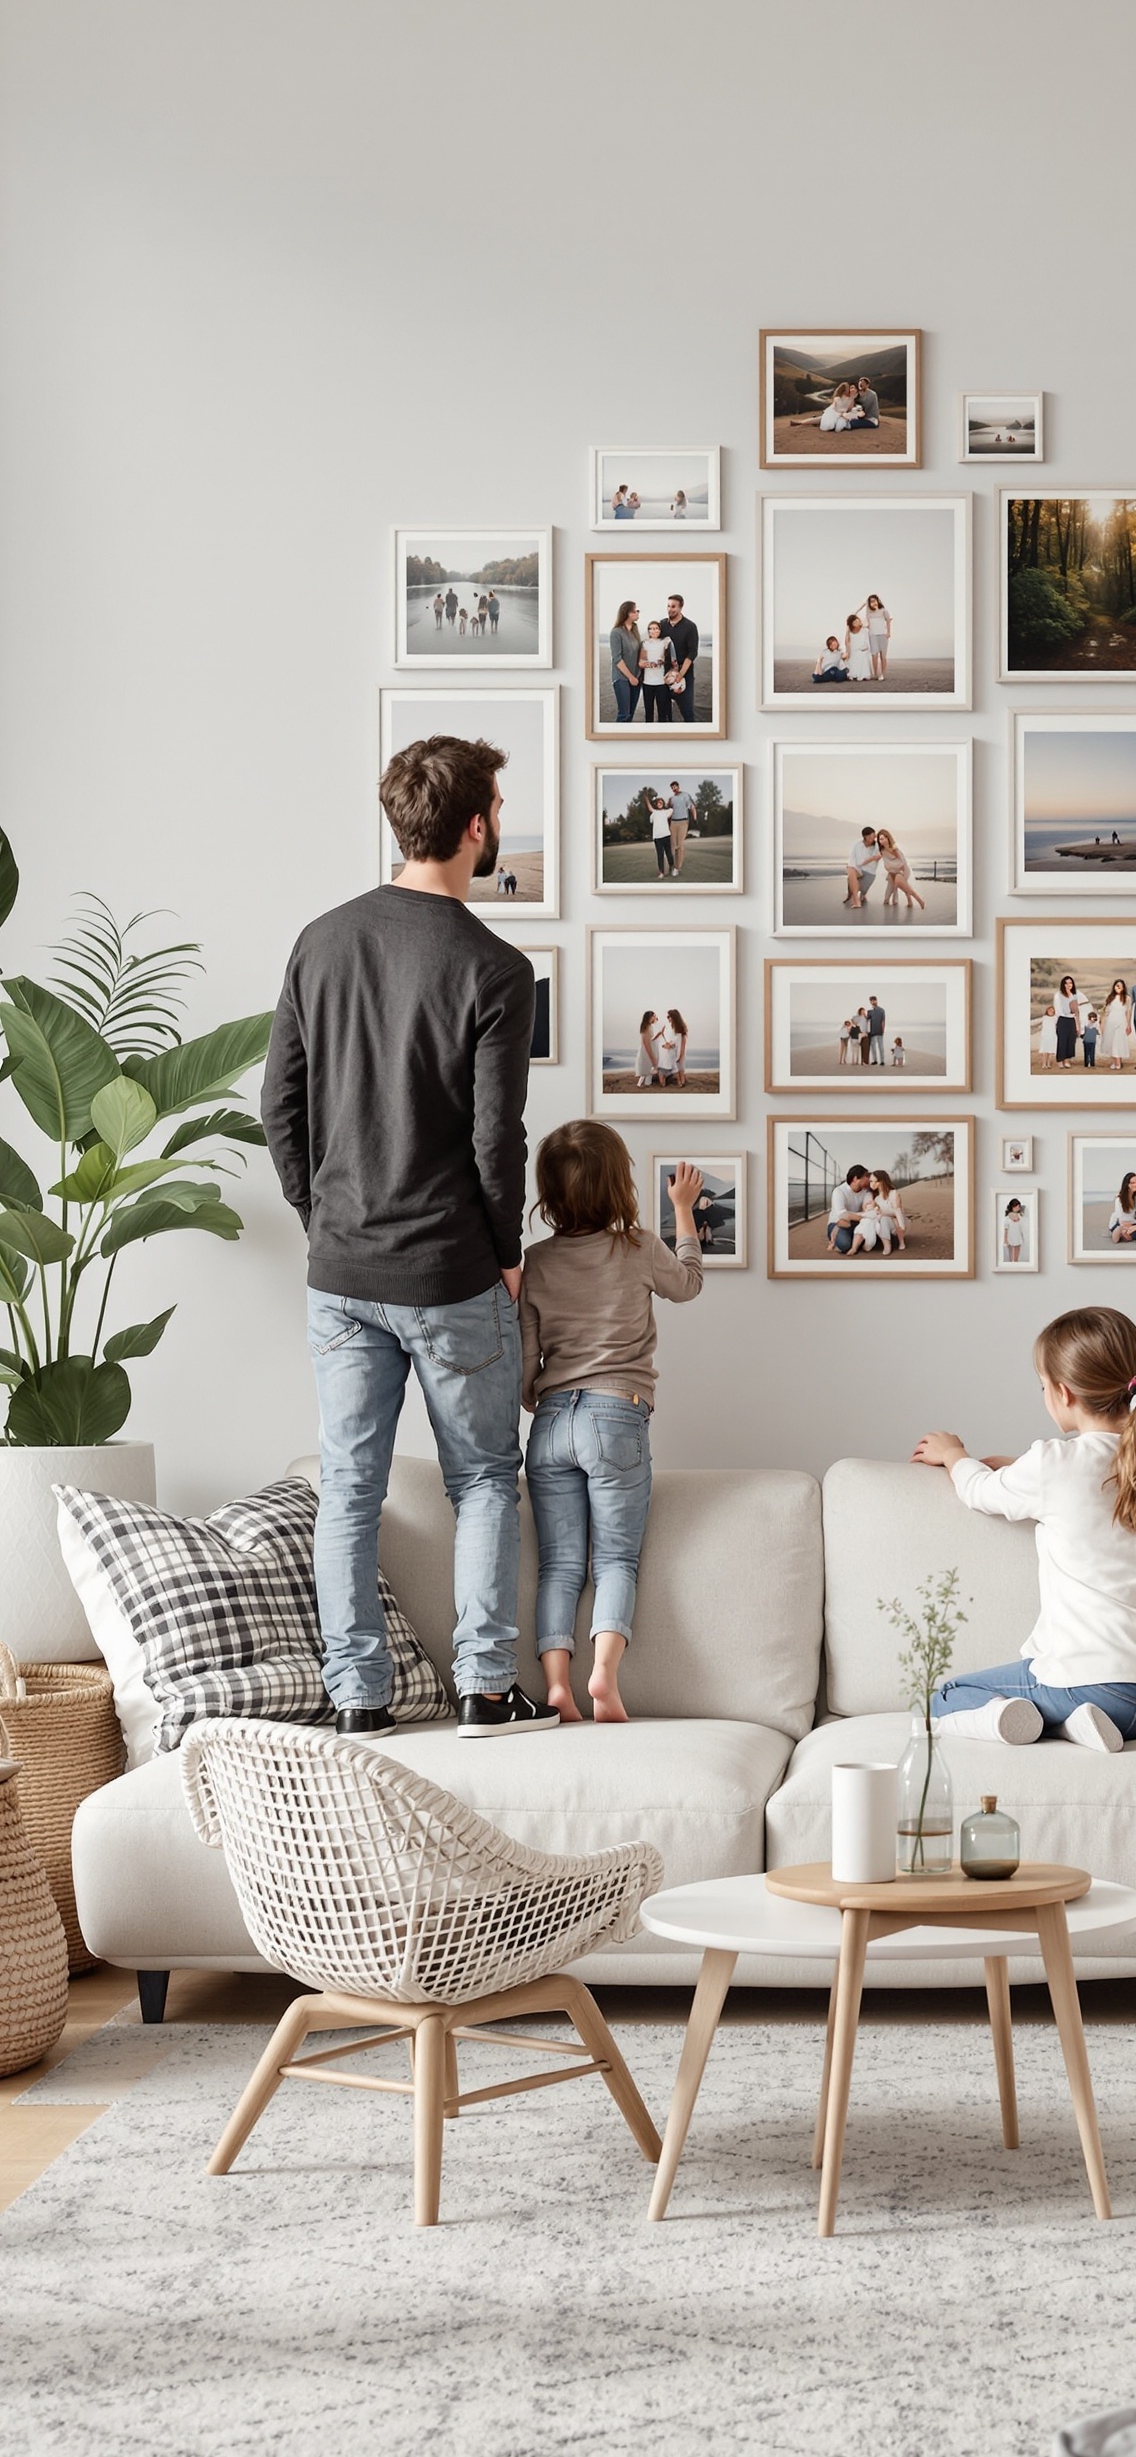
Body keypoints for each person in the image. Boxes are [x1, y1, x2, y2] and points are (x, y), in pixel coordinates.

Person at [262, 733, 550, 1741]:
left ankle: (358, 1701)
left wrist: (321, 1218)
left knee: (350, 1489)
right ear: (476, 826)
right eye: (497, 812)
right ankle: (482, 1690)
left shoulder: (320, 940)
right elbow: (494, 1137)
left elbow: (279, 1110)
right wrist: (506, 1251)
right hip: (451, 1273)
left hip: (341, 1270)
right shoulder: (498, 968)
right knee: (480, 1479)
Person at [913, 1306, 1136, 1755]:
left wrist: (955, 1453)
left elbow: (979, 1490)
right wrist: (1022, 1467)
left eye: (1042, 1386)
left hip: (1098, 1688)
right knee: (1106, 1702)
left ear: (1063, 1392)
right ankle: (1079, 1726)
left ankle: (1049, 1721)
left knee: (945, 1698)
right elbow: (1110, 1473)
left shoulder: (1054, 1464)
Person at [521, 1124, 704, 1724]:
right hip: (615, 1415)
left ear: (548, 1192)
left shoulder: (536, 1262)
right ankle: (602, 1675)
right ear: (620, 1187)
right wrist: (682, 1211)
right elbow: (689, 1285)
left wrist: (539, 1395)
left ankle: (555, 1686)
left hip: (550, 1423)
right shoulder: (639, 1247)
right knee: (615, 1562)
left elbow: (526, 1369)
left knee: (560, 1566)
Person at [659, 592, 699, 722]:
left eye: (673, 606)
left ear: (681, 607)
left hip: (684, 673)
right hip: (664, 674)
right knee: (663, 713)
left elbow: (692, 652)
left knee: (687, 711)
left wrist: (680, 675)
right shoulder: (662, 625)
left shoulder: (690, 626)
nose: (670, 609)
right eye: (668, 606)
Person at [825, 1164, 873, 1253]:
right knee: (845, 1245)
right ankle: (835, 1234)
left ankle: (854, 1237)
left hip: (857, 1222)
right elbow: (841, 1214)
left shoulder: (866, 1191)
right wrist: (864, 1217)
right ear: (855, 1178)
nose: (868, 1179)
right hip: (838, 1223)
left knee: (873, 1240)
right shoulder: (839, 1191)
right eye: (865, 1176)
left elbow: (868, 1209)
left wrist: (862, 1216)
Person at [609, 601, 642, 725]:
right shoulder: (616, 633)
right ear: (627, 613)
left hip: (636, 677)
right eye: (635, 611)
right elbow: (617, 659)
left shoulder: (635, 630)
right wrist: (630, 677)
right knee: (624, 714)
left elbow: (639, 653)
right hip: (622, 678)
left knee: (631, 714)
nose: (638, 613)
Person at [877, 828, 925, 911]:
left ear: (887, 838)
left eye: (882, 838)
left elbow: (902, 863)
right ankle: (909, 901)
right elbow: (886, 862)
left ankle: (918, 899)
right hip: (892, 872)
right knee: (886, 899)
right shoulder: (882, 850)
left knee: (900, 883)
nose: (881, 841)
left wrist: (895, 868)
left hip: (902, 870)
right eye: (879, 840)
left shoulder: (894, 849)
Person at [638, 620, 675, 722]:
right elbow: (640, 663)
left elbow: (672, 659)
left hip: (662, 682)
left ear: (660, 630)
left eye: (656, 628)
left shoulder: (665, 642)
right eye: (651, 628)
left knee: (662, 712)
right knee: (648, 712)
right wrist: (651, 664)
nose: (653, 631)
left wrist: (663, 662)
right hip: (647, 682)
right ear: (648, 631)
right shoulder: (644, 643)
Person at [1099, 977, 1134, 1072]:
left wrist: (1128, 1024)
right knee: (1111, 1042)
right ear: (1114, 986)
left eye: (1120, 986)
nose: (1118, 987)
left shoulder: (1127, 998)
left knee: (1118, 1042)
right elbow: (1106, 1011)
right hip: (1110, 1022)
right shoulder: (1110, 997)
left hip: (1121, 1022)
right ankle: (1116, 1062)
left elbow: (1128, 1012)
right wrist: (1102, 1022)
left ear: (1123, 988)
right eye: (1117, 985)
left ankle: (1117, 1064)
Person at [844, 827, 880, 907]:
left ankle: (856, 894)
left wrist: (867, 861)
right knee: (850, 869)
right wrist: (852, 869)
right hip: (858, 869)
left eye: (873, 836)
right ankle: (856, 901)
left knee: (861, 890)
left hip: (870, 872)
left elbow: (876, 856)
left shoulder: (876, 845)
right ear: (864, 836)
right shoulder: (857, 844)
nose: (872, 839)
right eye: (869, 837)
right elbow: (852, 858)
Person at [667, 780, 696, 875]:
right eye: (672, 787)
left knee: (680, 845)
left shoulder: (685, 795)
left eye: (675, 786)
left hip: (683, 821)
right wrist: (668, 805)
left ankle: (677, 868)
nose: (674, 788)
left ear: (678, 786)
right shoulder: (671, 798)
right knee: (673, 846)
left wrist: (695, 819)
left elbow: (691, 807)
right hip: (673, 823)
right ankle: (673, 864)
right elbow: (668, 810)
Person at [1053, 973, 1081, 1067]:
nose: (1069, 985)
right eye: (1066, 983)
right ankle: (1061, 1060)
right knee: (1062, 1040)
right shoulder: (1058, 995)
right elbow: (1058, 1009)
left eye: (1070, 983)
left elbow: (1076, 1011)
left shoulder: (1074, 995)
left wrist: (1077, 1025)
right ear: (1063, 984)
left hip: (1071, 1020)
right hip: (1062, 1019)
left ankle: (1067, 1060)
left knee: (1071, 1040)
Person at [863, 593, 892, 679]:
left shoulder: (883, 610)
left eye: (874, 601)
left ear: (878, 601)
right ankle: (875, 673)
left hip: (883, 634)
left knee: (883, 655)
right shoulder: (868, 612)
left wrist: (888, 632)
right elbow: (868, 623)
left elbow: (888, 621)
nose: (873, 603)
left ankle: (882, 674)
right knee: (874, 655)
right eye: (871, 602)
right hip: (872, 635)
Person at [658, 1007, 689, 1086]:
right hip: (671, 1050)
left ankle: (680, 1080)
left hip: (679, 1049)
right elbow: (663, 1034)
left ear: (674, 1017)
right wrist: (667, 1043)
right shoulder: (668, 1026)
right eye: (667, 1017)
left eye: (669, 1016)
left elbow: (682, 1043)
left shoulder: (680, 1028)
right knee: (672, 1065)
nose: (668, 1018)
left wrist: (681, 1054)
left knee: (680, 1068)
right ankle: (671, 1078)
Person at [647, 791, 673, 878]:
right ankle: (661, 872)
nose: (660, 803)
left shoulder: (666, 812)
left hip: (666, 836)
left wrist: (669, 801)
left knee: (669, 853)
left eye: (661, 802)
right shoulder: (653, 813)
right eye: (658, 803)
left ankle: (672, 867)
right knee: (660, 855)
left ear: (663, 804)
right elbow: (650, 808)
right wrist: (646, 798)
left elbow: (672, 808)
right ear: (656, 804)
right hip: (657, 838)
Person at [844, 612, 873, 682]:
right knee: (853, 657)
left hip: (863, 650)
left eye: (857, 620)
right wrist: (848, 653)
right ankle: (853, 674)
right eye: (854, 622)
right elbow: (846, 643)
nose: (857, 622)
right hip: (853, 651)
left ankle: (862, 674)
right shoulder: (849, 633)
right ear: (851, 625)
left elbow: (868, 642)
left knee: (862, 655)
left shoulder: (865, 630)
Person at [635, 1009, 661, 1086]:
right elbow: (646, 1043)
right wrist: (652, 1056)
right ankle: (642, 1084)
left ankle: (645, 1083)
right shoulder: (646, 1027)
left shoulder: (649, 1026)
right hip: (647, 1051)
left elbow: (651, 1039)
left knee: (648, 1069)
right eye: (654, 1016)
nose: (655, 1018)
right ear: (651, 1016)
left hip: (650, 1049)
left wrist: (659, 1034)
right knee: (647, 1067)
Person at [1001, 1198, 1029, 1266]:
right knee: (1010, 1254)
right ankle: (1013, 1265)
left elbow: (1022, 1226)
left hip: (1018, 1236)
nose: (1017, 1207)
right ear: (1011, 1207)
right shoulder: (1007, 1218)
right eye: (1015, 1206)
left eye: (1018, 1206)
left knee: (1016, 1253)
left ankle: (1015, 1264)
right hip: (1010, 1237)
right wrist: (1005, 1240)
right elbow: (1005, 1229)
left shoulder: (1020, 1216)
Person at [865, 994, 887, 1067]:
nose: (873, 1002)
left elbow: (883, 1021)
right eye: (871, 1001)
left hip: (879, 1031)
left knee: (881, 1046)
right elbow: (867, 1021)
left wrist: (883, 1030)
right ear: (870, 1002)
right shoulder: (869, 1011)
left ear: (876, 1001)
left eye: (874, 1000)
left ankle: (882, 1061)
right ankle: (875, 1060)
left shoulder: (881, 1010)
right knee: (873, 1047)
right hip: (872, 1032)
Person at [1080, 1001, 1100, 1070]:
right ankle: (1086, 1064)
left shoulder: (1096, 1024)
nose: (1093, 1019)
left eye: (1094, 1017)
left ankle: (1092, 1064)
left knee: (1092, 1053)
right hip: (1086, 1040)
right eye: (1092, 1017)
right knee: (1086, 1052)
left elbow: (1098, 1031)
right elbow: (1084, 1028)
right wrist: (1090, 1022)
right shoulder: (1086, 1023)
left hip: (1093, 1041)